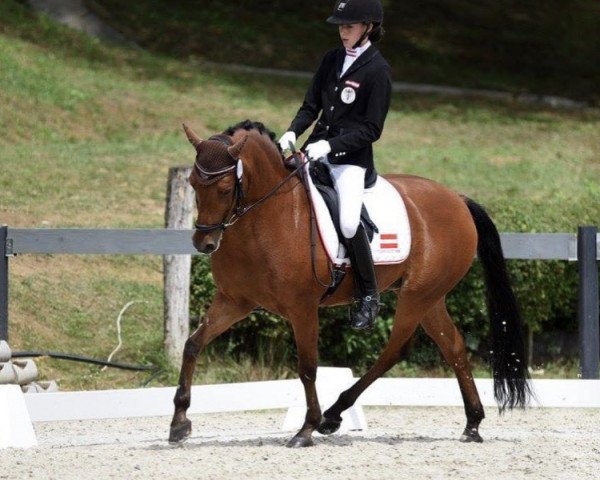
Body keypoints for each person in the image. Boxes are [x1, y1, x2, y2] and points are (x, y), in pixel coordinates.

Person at [278, 0, 392, 331]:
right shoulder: (331, 59)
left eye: (350, 26)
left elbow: (372, 129)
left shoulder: (378, 71)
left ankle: (368, 296)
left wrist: (331, 145)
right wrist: (292, 132)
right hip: (315, 150)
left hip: (351, 161)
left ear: (368, 27)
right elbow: (311, 105)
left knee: (346, 222)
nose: (343, 31)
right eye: (341, 26)